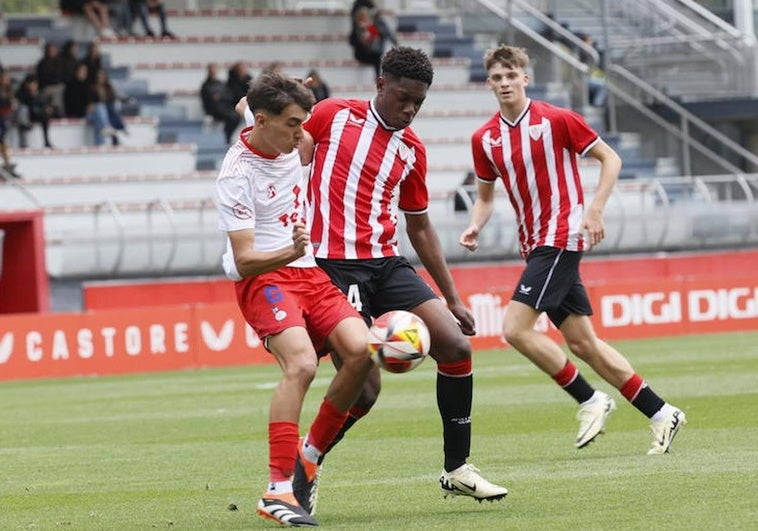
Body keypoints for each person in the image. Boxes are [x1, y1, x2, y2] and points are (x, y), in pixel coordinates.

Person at [292, 46, 508, 514]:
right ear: (380, 86)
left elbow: (420, 225)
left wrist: (451, 298)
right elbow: (288, 150)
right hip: (333, 266)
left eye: (419, 102)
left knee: (455, 346)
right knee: (365, 392)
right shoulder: (333, 116)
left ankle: (457, 468)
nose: (410, 109)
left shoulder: (412, 150)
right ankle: (304, 469)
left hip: (387, 264)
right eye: (403, 97)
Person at [458, 44, 686, 455]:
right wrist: (475, 224)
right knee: (583, 344)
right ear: (489, 83)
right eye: (497, 77)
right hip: (534, 245)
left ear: (525, 78)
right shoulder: (485, 139)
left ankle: (589, 398)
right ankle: (661, 412)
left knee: (514, 330)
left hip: (560, 236)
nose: (506, 83)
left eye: (512, 76)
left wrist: (594, 211)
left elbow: (610, 158)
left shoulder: (557, 120)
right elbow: (486, 198)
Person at [216, 71, 374, 527]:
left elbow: (247, 102)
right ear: (264, 123)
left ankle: (309, 455)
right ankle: (277, 488)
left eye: (303, 122)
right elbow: (245, 261)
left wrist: (287, 86)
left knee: (363, 353)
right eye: (293, 125)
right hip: (265, 278)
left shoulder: (269, 123)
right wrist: (293, 249)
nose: (302, 135)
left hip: (307, 273)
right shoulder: (236, 175)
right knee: (302, 364)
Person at [348, 5, 396, 79]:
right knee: (376, 58)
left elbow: (376, 36)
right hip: (361, 53)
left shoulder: (372, 25)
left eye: (365, 16)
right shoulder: (356, 29)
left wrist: (369, 28)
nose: (363, 19)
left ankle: (378, 76)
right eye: (361, 17)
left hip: (373, 52)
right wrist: (361, 38)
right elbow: (352, 42)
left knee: (377, 57)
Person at [200, 63, 240, 144]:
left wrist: (220, 97)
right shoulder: (205, 85)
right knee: (233, 117)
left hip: (225, 108)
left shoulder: (221, 84)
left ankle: (228, 134)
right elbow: (208, 100)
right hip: (214, 110)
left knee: (236, 116)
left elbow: (229, 96)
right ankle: (227, 136)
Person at [15, 74, 55, 149]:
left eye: (35, 84)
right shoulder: (21, 93)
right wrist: (31, 96)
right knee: (22, 115)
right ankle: (23, 143)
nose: (33, 86)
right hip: (26, 115)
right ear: (27, 85)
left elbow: (43, 103)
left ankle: (46, 141)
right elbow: (21, 105)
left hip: (36, 113)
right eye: (31, 84)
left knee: (45, 117)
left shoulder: (40, 93)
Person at [0, 69, 21, 178]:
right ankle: (7, 164)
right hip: (2, 118)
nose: (6, 80)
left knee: (3, 141)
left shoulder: (9, 90)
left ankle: (7, 164)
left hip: (6, 118)